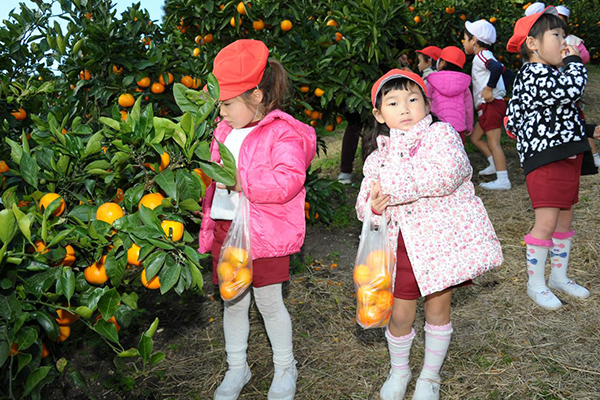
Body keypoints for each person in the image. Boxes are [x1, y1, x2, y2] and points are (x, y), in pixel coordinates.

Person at [356, 69, 503, 400]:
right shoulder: (378, 157)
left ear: (427, 103)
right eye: (393, 103)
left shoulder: (442, 135)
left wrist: (391, 189)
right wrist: (375, 208)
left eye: (412, 100)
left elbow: (447, 173)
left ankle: (430, 377)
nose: (405, 109)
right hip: (399, 248)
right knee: (400, 315)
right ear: (380, 114)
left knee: (438, 311)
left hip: (439, 245)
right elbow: (364, 204)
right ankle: (399, 371)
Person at [198, 39, 317, 400]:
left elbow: (288, 181)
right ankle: (238, 367)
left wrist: (240, 182)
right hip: (225, 229)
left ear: (259, 96)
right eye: (219, 103)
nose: (222, 111)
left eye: (229, 103)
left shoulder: (281, 133)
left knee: (268, 302)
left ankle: (285, 367)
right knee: (232, 300)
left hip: (263, 234)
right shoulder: (222, 131)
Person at [505, 6, 590, 310]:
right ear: (533, 44)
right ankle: (535, 283)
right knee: (547, 222)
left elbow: (560, 112)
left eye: (564, 34)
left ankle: (559, 277)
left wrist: (588, 130)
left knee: (564, 219)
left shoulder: (548, 73)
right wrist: (574, 61)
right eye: (556, 35)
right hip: (544, 159)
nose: (564, 41)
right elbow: (572, 89)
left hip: (565, 155)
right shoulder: (534, 73)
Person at [463, 19, 512, 190]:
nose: (464, 42)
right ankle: (494, 163)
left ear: (474, 40)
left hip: (490, 105)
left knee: (493, 142)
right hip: (487, 106)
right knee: (475, 137)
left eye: (465, 38)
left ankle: (503, 179)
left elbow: (497, 68)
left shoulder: (482, 55)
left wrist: (490, 89)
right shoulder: (484, 56)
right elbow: (507, 73)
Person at [426, 46, 473, 143]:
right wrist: (469, 126)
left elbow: (426, 102)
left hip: (438, 126)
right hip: (458, 128)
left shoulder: (432, 81)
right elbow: (468, 108)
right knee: (458, 155)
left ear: (443, 63)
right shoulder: (463, 84)